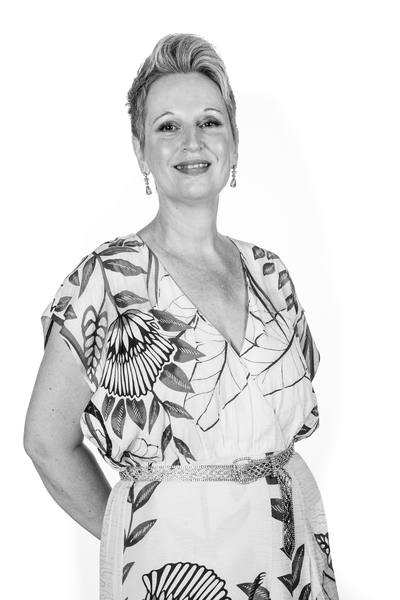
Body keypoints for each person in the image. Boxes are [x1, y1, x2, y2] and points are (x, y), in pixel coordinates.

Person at [24, 33, 340, 600]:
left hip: (288, 562)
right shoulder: (106, 280)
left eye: (210, 122)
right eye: (167, 126)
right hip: (175, 577)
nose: (191, 141)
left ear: (234, 143)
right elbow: (46, 442)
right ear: (140, 150)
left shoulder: (272, 273)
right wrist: (136, 538)